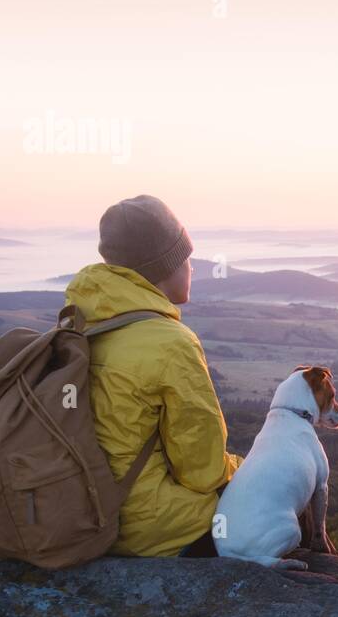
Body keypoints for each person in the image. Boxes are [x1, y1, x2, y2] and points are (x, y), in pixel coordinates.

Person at [64, 194, 240, 557]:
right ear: (165, 266)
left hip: (81, 512)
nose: (191, 267)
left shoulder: (82, 319)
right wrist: (248, 467)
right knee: (277, 493)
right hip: (146, 529)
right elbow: (203, 470)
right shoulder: (171, 342)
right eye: (185, 257)